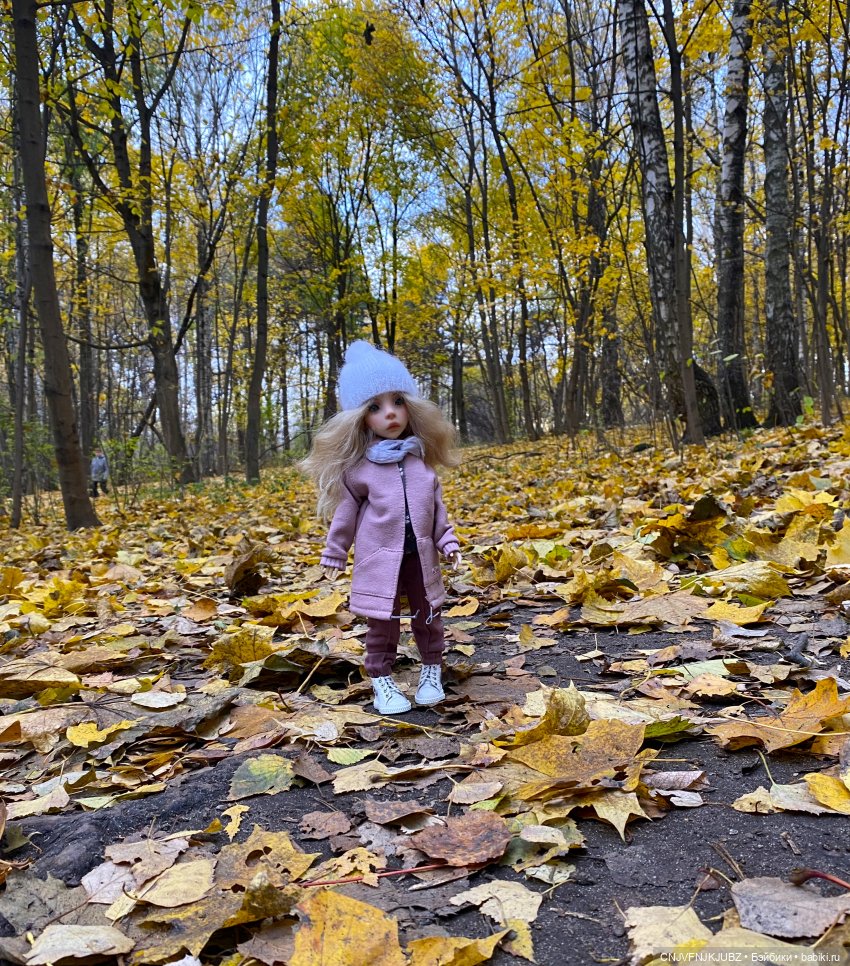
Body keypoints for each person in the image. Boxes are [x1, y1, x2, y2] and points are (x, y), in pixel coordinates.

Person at [300, 341, 462, 715]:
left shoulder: (421, 464)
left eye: (398, 402)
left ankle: (431, 670)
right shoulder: (359, 470)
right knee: (382, 622)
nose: (390, 413)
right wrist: (335, 552)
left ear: (411, 407)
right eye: (375, 407)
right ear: (360, 418)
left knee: (429, 615)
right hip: (378, 559)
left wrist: (448, 541)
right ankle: (381, 680)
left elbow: (436, 511)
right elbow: (346, 513)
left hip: (420, 557)